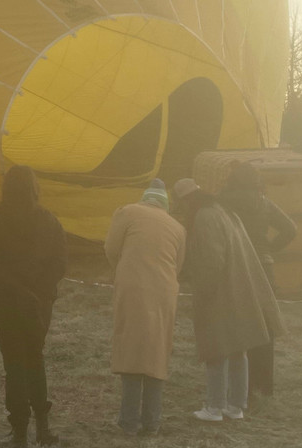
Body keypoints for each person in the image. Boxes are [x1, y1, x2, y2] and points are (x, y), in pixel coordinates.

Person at [172, 178, 284, 423]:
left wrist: (204, 290)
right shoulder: (224, 211)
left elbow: (212, 259)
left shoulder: (204, 217)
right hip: (241, 289)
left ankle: (214, 407)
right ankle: (236, 406)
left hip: (221, 292)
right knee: (238, 348)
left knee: (215, 348)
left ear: (186, 200)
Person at [0, 165, 68, 446]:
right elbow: (59, 264)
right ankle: (42, 429)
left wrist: (17, 291)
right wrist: (40, 294)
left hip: (6, 302)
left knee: (15, 364)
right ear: (35, 187)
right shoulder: (49, 221)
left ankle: (20, 433)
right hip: (38, 305)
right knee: (35, 358)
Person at [105, 178, 186, 437]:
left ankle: (128, 422)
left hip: (133, 289)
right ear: (165, 204)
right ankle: (152, 423)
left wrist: (126, 266)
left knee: (131, 351)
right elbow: (179, 265)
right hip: (165, 292)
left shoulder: (127, 212)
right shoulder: (178, 227)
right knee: (156, 353)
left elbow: (111, 248)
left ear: (145, 198)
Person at [219, 162, 297, 397]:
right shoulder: (264, 203)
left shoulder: (224, 202)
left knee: (237, 324)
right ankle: (263, 385)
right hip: (263, 267)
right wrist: (269, 250)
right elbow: (290, 229)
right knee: (265, 327)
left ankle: (239, 386)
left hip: (236, 266)